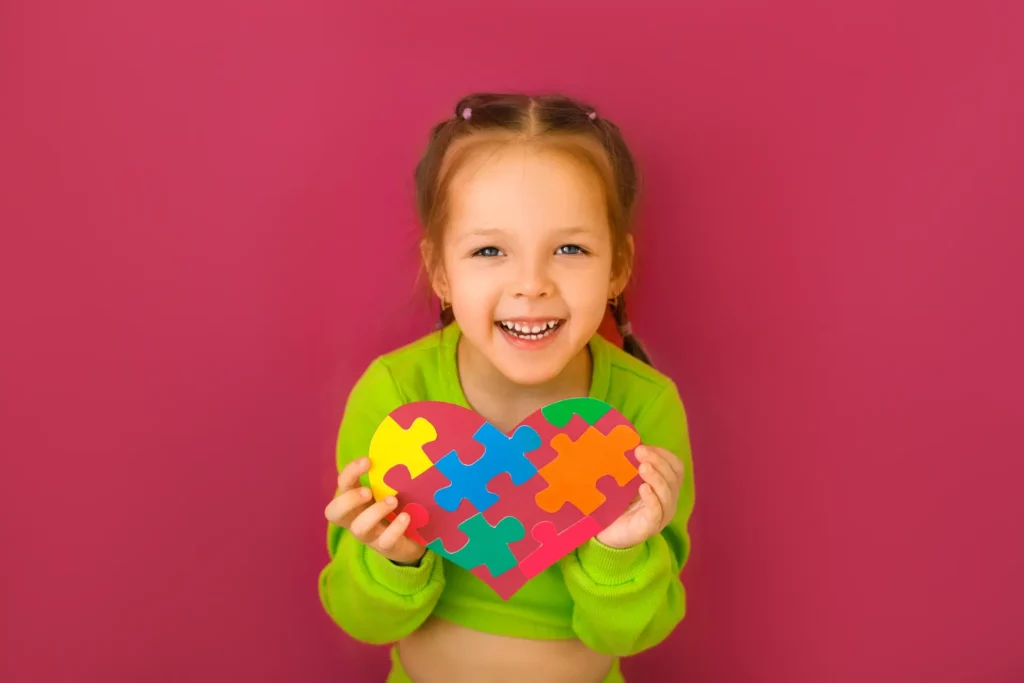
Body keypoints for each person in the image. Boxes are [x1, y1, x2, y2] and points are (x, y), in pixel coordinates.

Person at [318, 92, 696, 683]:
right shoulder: (396, 393)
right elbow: (363, 621)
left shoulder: (642, 406)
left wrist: (619, 552)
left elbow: (634, 634)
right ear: (441, 271)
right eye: (489, 250)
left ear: (618, 266)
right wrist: (394, 559)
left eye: (569, 249)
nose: (531, 284)